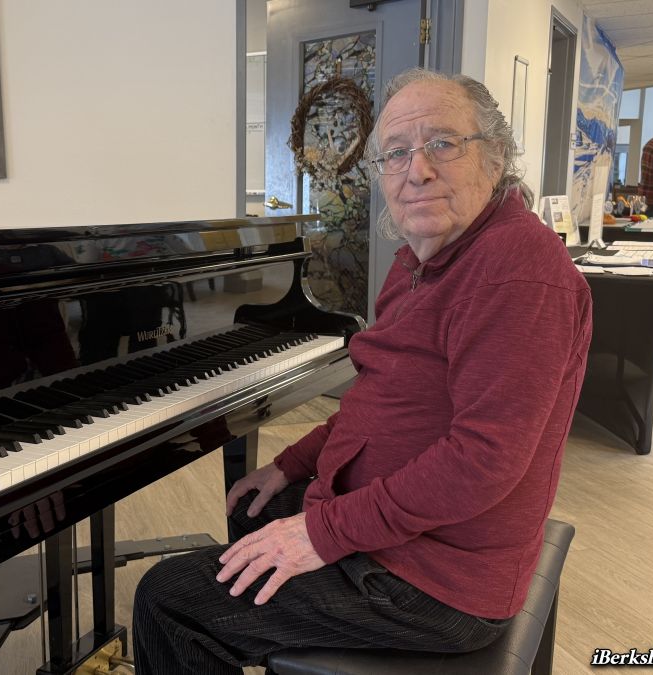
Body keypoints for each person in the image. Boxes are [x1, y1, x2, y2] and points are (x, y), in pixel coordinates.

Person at [130, 68, 593, 675]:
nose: (416, 170)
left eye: (442, 143)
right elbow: (379, 404)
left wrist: (321, 533)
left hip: (441, 580)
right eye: (396, 153)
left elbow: (483, 462)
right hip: (419, 536)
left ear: (497, 156)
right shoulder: (422, 260)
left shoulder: (517, 273)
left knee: (168, 597)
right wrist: (290, 465)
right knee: (252, 508)